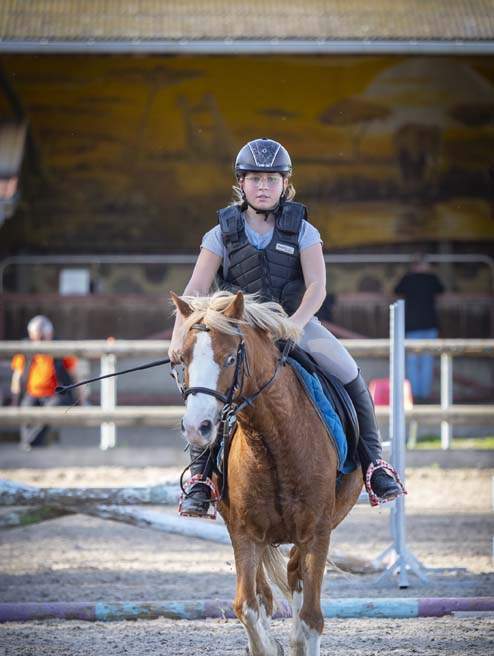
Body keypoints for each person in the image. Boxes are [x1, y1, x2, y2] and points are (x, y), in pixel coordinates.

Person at [169, 138, 404, 515]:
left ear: (285, 183)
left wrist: (293, 325)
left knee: (349, 374)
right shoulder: (219, 233)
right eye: (255, 179)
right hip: (239, 330)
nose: (263, 187)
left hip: (296, 323)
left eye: (271, 179)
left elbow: (317, 287)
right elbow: (196, 290)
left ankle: (374, 463)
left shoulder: (304, 231)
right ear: (241, 184)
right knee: (206, 386)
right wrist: (182, 331)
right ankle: (200, 477)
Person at [10, 315, 80, 450]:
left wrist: (81, 399)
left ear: (50, 334)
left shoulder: (60, 348)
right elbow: (17, 377)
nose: (40, 340)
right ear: (31, 335)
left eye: (43, 336)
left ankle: (29, 443)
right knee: (26, 408)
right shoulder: (25, 349)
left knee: (50, 410)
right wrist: (14, 400)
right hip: (32, 393)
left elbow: (74, 375)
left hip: (56, 394)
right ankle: (31, 443)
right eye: (37, 337)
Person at [394, 254, 445, 401]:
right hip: (430, 324)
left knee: (412, 361)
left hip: (412, 325)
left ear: (413, 265)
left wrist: (411, 274)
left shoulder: (408, 278)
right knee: (427, 360)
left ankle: (414, 395)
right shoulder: (431, 278)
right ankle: (425, 394)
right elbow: (442, 290)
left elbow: (396, 290)